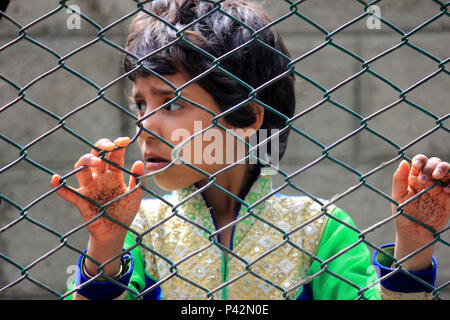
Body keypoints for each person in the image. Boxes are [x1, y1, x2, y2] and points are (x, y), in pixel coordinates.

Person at [51, 0, 449, 300]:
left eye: (171, 102)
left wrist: (413, 246)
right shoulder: (138, 229)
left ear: (246, 117)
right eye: (140, 104)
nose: (145, 125)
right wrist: (104, 245)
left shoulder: (319, 230)